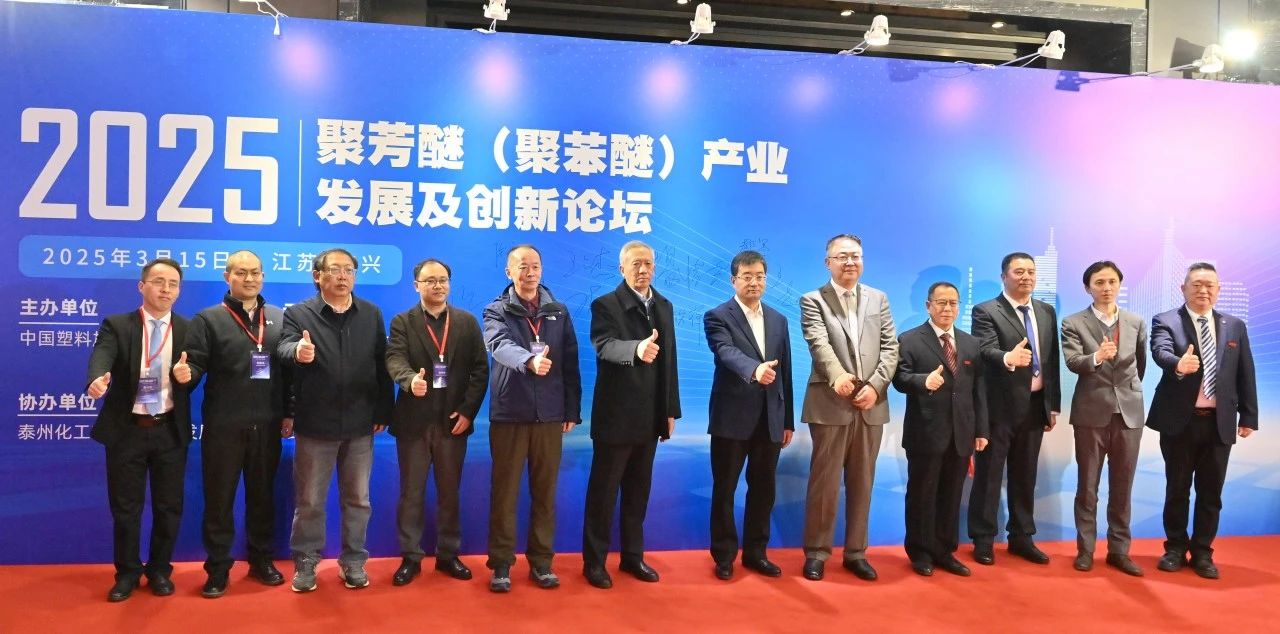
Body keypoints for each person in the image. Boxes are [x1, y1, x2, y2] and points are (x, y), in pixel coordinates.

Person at [277, 248, 394, 592]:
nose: (343, 276)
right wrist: (298, 351)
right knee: (310, 501)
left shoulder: (370, 313)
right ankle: (306, 561)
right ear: (318, 276)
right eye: (335, 270)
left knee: (358, 499)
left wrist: (383, 410)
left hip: (360, 423)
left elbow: (381, 364)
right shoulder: (299, 313)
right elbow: (283, 348)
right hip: (316, 423)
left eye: (349, 270)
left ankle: (353, 561)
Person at [177, 250, 290, 597]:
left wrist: (289, 412)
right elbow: (195, 364)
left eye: (255, 272)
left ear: (263, 276)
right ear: (227, 277)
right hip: (223, 427)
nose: (250, 279)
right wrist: (186, 374)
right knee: (219, 501)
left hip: (268, 425)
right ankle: (217, 569)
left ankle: (261, 560)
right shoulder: (208, 319)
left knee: (262, 498)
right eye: (241, 272)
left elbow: (288, 374)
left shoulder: (279, 318)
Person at [85, 258, 191, 602]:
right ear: (141, 286)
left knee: (168, 506)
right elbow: (102, 355)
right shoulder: (118, 325)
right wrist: (97, 378)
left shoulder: (189, 329)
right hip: (127, 431)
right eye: (158, 282)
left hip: (169, 430)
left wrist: (191, 374)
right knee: (126, 509)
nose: (166, 289)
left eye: (173, 284)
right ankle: (127, 573)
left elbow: (198, 366)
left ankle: (159, 570)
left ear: (179, 291)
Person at [798, 234, 899, 582]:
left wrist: (875, 386)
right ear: (828, 262)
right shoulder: (813, 300)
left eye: (855, 256)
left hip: (871, 404)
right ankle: (816, 552)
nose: (850, 262)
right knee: (824, 484)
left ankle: (856, 553)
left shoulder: (879, 298)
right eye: (842, 256)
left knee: (863, 482)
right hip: (830, 402)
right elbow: (818, 343)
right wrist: (838, 376)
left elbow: (891, 348)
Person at [1147, 262, 1257, 580]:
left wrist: (1249, 415)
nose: (1203, 290)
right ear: (1183, 288)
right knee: (1177, 489)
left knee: (1211, 493)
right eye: (1196, 284)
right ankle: (1174, 549)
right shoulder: (1166, 320)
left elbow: (1245, 371)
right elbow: (1160, 351)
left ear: (1218, 290)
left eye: (1210, 285)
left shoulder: (1234, 325)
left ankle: (1203, 552)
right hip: (1180, 423)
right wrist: (1178, 364)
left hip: (1218, 423)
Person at [482, 245, 581, 592]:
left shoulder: (558, 311)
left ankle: (541, 562)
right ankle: (501, 564)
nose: (530, 272)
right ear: (509, 272)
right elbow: (499, 345)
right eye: (522, 266)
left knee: (545, 493)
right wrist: (528, 360)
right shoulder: (496, 310)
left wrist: (571, 410)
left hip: (550, 416)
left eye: (535, 266)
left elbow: (570, 362)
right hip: (510, 413)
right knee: (505, 494)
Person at [582, 240, 681, 590]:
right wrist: (637, 349)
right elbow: (604, 345)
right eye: (636, 263)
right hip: (615, 417)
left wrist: (671, 410)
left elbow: (670, 361)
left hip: (650, 417)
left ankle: (632, 557)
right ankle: (594, 562)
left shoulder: (664, 306)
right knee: (603, 494)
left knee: (639, 492)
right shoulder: (605, 304)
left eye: (648, 263)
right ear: (621, 268)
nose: (643, 270)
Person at [385, 258, 489, 587]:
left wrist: (468, 411)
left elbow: (480, 369)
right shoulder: (403, 322)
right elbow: (394, 357)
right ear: (416, 285)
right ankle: (410, 557)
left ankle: (448, 554)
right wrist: (408, 380)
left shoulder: (466, 322)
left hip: (452, 423)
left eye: (443, 279)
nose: (438, 285)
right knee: (411, 494)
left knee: (449, 493)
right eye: (430, 280)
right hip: (414, 423)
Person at [703, 250, 794, 580]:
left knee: (763, 490)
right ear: (734, 280)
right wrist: (754, 370)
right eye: (747, 277)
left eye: (760, 277)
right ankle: (724, 556)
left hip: (770, 420)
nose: (754, 282)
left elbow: (785, 374)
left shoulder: (779, 320)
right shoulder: (717, 316)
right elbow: (726, 352)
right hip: (731, 419)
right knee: (725, 489)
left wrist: (787, 421)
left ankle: (757, 553)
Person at [968, 252, 1061, 566]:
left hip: (1035, 407)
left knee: (1025, 476)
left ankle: (1022, 537)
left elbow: (1051, 360)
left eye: (1031, 271)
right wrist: (1008, 357)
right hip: (999, 409)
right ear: (1004, 276)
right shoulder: (986, 310)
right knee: (989, 476)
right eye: (1019, 271)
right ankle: (983, 539)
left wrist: (1052, 405)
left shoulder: (1046, 311)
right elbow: (984, 349)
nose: (1026, 277)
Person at [892, 282, 988, 578]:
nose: (947, 308)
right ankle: (920, 552)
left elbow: (978, 391)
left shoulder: (970, 343)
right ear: (928, 305)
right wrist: (922, 381)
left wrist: (981, 430)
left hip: (961, 434)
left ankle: (945, 551)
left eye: (953, 303)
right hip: (925, 432)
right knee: (922, 494)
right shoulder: (910, 339)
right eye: (941, 302)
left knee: (951, 494)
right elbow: (899, 378)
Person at [1060, 261, 1146, 576]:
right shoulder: (1073, 322)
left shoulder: (1135, 321)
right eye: (1099, 282)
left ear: (1120, 285)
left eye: (1111, 281)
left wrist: (1126, 394)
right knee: (1087, 487)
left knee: (1122, 487)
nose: (1106, 287)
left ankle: (1119, 552)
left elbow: (1140, 364)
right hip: (1090, 413)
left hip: (1128, 414)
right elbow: (1073, 361)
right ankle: (1085, 551)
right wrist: (1097, 356)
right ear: (1088, 288)